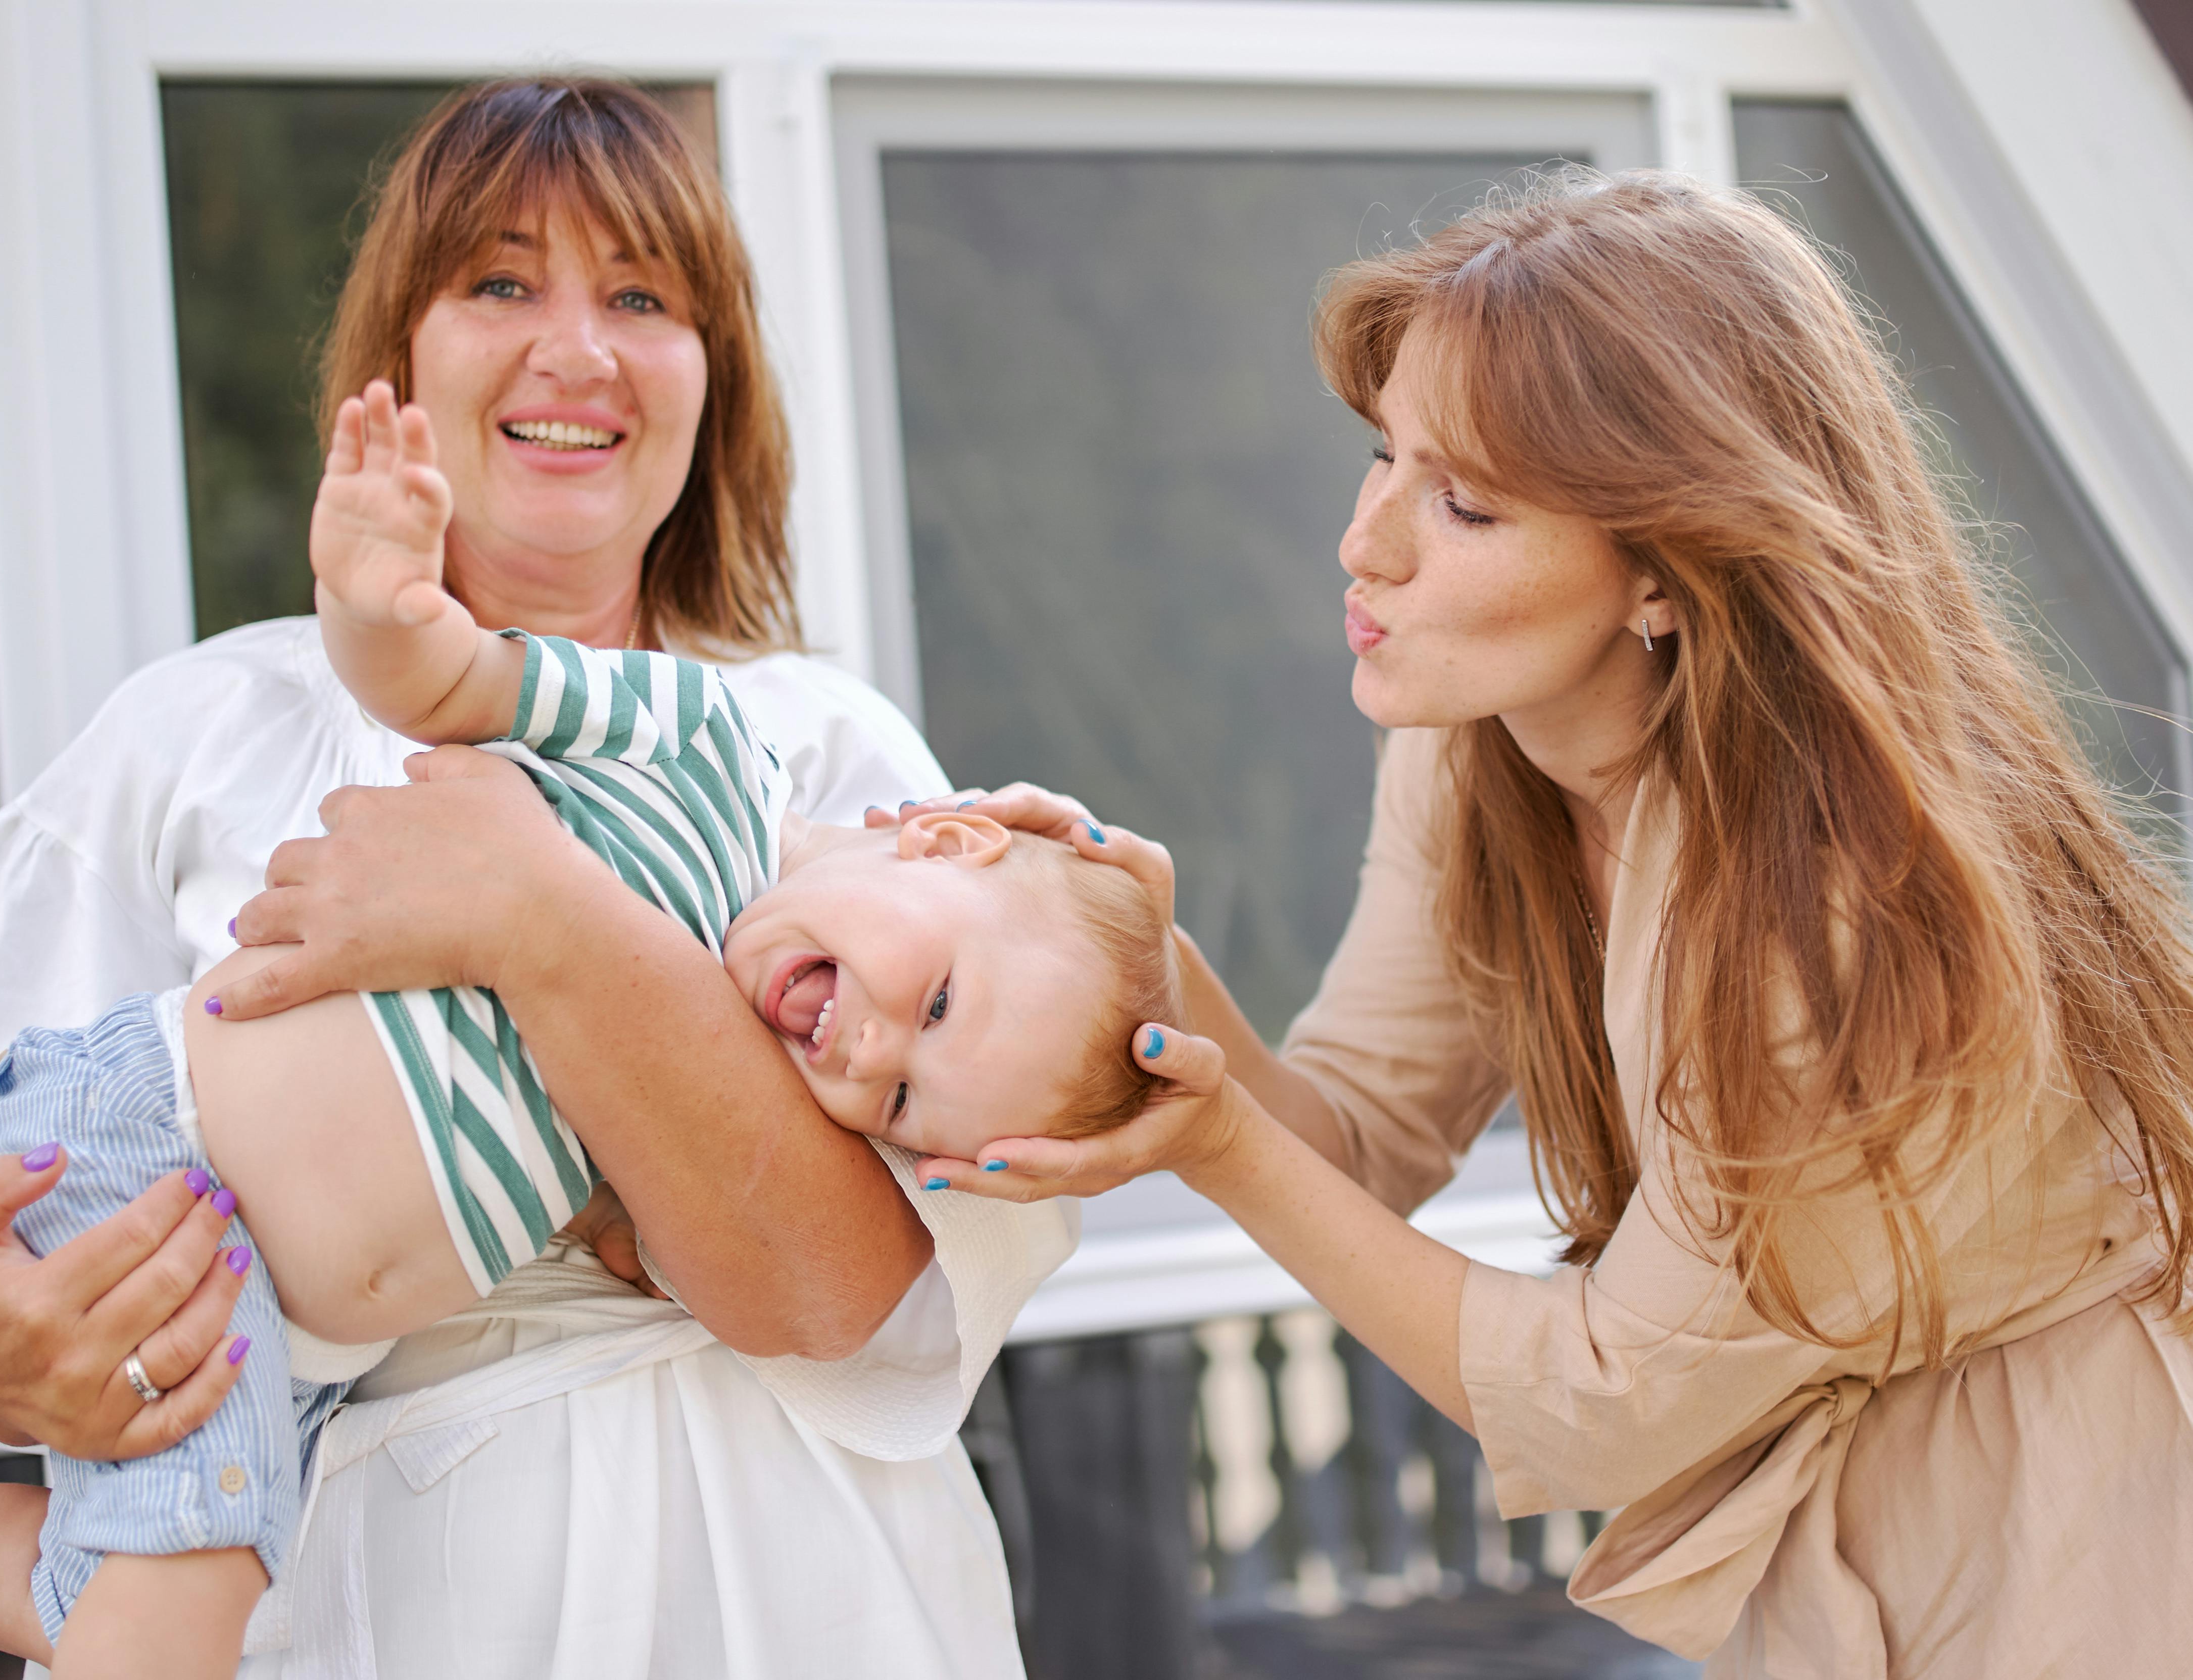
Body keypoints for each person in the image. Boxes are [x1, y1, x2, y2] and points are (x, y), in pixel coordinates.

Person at [0, 78, 1074, 1679]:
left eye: (642, 295)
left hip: (805, 1596)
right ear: (399, 362)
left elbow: (844, 1284)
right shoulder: (200, 733)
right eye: (500, 282)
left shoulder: (830, 760)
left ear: (714, 378)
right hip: (351, 1601)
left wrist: (543, 923)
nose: (574, 350)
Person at [911, 169, 2193, 1678]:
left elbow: (1606, 1403)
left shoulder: (1828, 895)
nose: (1367, 544)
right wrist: (1142, 957)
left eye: (1462, 504)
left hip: (2091, 1516)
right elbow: (1361, 1135)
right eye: (1383, 457)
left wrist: (1215, 1143)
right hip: (1842, 1532)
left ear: (1665, 566)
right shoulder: (1475, 758)